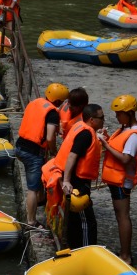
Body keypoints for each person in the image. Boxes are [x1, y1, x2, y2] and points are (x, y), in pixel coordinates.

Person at [15, 82, 66, 226]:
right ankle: (31, 221)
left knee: (35, 180)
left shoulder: (35, 102)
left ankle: (41, 198)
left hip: (20, 146)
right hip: (33, 153)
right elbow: (50, 137)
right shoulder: (52, 113)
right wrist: (54, 151)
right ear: (58, 101)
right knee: (32, 188)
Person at [99, 94, 137, 262]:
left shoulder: (134, 135)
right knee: (119, 215)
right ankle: (124, 253)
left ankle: (126, 255)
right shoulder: (124, 128)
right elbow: (118, 147)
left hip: (122, 181)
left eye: (119, 113)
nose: (116, 116)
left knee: (123, 216)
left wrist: (105, 145)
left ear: (129, 113)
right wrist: (108, 138)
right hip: (115, 179)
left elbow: (125, 159)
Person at [57, 103, 103, 249]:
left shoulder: (81, 127)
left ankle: (75, 248)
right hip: (77, 184)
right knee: (86, 222)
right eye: (101, 118)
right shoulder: (86, 134)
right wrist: (67, 181)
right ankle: (85, 251)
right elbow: (72, 156)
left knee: (76, 220)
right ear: (92, 120)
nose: (104, 120)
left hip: (76, 180)